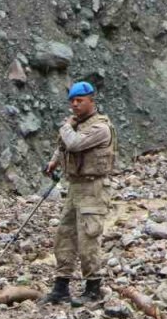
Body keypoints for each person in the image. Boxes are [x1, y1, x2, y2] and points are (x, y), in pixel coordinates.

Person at [40, 81, 117, 306]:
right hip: (74, 186)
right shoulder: (77, 124)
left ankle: (93, 288)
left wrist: (65, 125)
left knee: (88, 238)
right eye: (72, 101)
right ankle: (61, 286)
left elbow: (73, 143)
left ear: (91, 101)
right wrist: (54, 161)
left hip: (93, 188)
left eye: (79, 101)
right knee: (64, 235)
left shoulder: (100, 128)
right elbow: (63, 146)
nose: (75, 105)